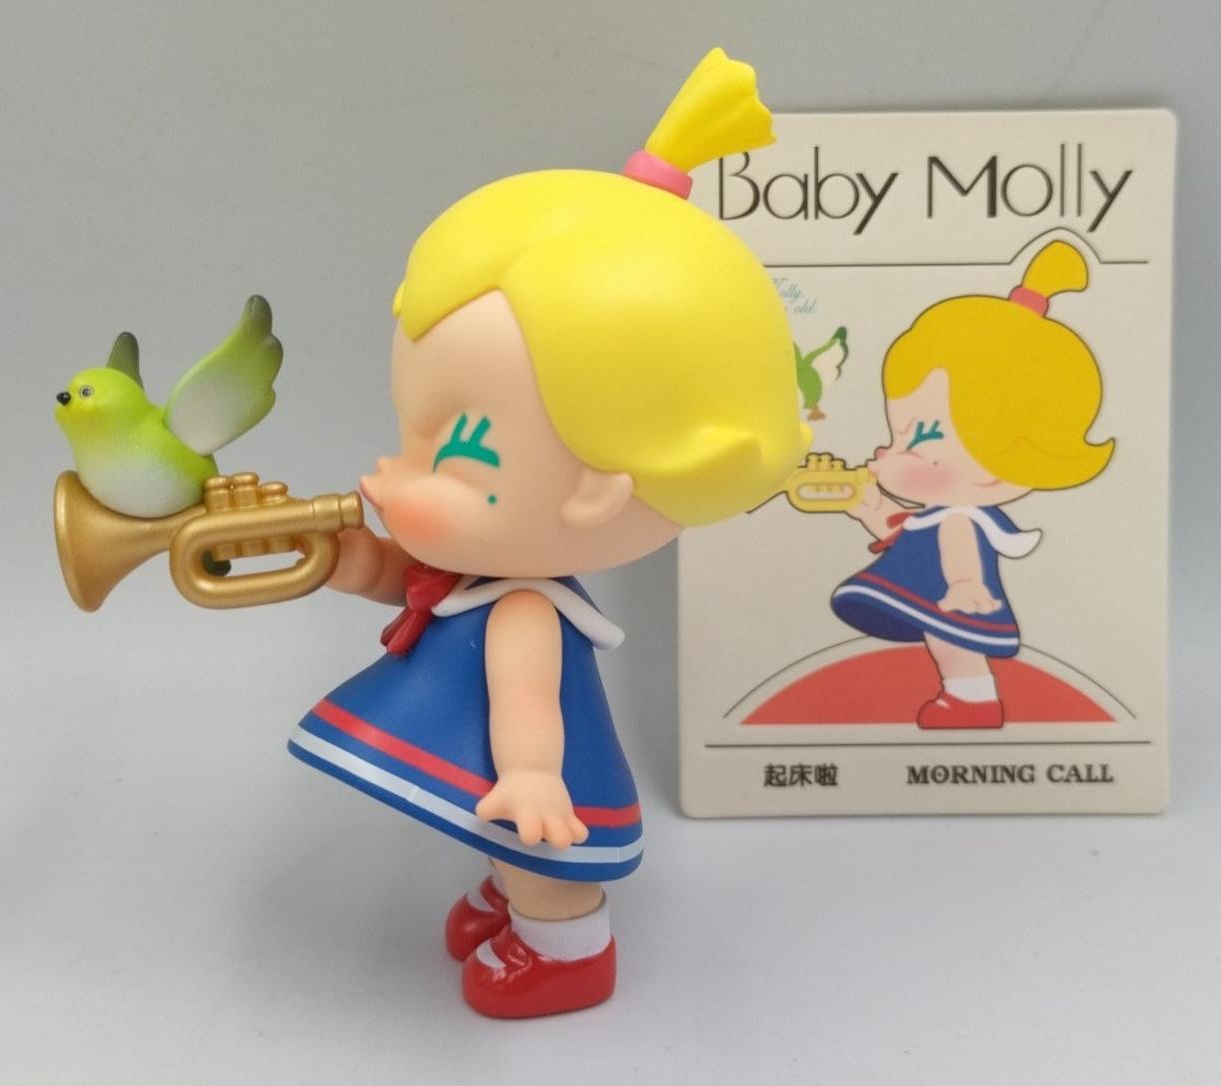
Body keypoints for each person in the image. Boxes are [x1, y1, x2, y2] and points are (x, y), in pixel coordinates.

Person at [288, 48, 808, 1018]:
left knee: (541, 860)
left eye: (455, 450)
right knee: (499, 837)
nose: (393, 474)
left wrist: (531, 776)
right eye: (408, 433)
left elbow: (526, 698)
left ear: (599, 492)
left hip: (536, 779)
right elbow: (411, 584)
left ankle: (568, 949)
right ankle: (511, 894)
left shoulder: (525, 604)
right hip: (497, 769)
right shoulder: (478, 568)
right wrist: (346, 560)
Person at [832, 240, 1114, 729]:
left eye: (918, 440)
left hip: (954, 594)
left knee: (953, 645)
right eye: (896, 434)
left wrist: (965, 583)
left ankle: (973, 700)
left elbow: (955, 546)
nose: (890, 453)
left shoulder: (960, 517)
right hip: (940, 591)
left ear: (997, 465)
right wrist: (871, 508)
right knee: (945, 643)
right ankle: (966, 697)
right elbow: (906, 537)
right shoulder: (943, 510)